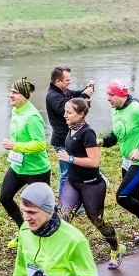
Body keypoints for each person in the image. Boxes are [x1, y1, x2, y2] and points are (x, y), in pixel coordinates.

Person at [56, 97, 126, 269]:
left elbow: (94, 162)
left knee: (97, 220)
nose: (65, 115)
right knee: (62, 217)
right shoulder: (71, 129)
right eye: (65, 111)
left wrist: (70, 158)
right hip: (73, 183)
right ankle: (62, 257)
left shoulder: (87, 133)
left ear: (81, 114)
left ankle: (116, 248)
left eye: (69, 112)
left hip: (91, 184)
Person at [98, 80, 139, 245]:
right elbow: (118, 133)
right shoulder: (115, 110)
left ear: (122, 95)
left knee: (123, 196)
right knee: (133, 196)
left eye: (111, 95)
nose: (108, 98)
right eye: (107, 95)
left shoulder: (137, 110)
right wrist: (102, 141)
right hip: (127, 161)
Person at [1, 77, 52, 249]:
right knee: (4, 198)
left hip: (36, 170)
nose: (10, 95)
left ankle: (50, 237)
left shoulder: (32, 117)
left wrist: (15, 145)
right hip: (17, 166)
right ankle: (24, 230)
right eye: (10, 91)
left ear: (23, 95)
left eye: (14, 92)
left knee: (43, 208)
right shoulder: (17, 111)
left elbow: (40, 144)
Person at [45, 66, 94, 195]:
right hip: (61, 140)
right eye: (67, 80)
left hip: (71, 139)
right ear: (58, 81)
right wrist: (84, 96)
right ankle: (64, 204)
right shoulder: (53, 96)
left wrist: (85, 90)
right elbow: (66, 109)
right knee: (66, 173)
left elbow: (74, 94)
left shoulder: (64, 91)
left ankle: (73, 200)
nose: (69, 82)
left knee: (74, 172)